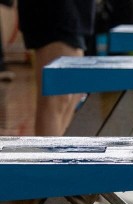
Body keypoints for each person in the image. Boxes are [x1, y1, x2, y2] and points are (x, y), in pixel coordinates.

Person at [17, 0, 95, 135]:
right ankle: (49, 148)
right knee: (58, 97)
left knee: (73, 94)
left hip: (75, 12)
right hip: (55, 11)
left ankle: (55, 147)